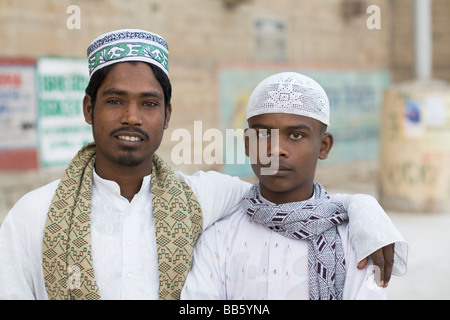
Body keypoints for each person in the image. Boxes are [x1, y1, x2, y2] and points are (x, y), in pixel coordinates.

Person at [0, 30, 406, 300]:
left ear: (167, 113)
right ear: (89, 108)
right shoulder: (34, 216)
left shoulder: (200, 197)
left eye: (148, 103)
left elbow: (285, 198)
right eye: (114, 100)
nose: (131, 117)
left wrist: (363, 209)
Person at [181, 72, 408, 300]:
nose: (276, 149)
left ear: (324, 146)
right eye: (263, 134)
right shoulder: (218, 238)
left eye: (296, 135)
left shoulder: (355, 239)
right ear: (248, 145)